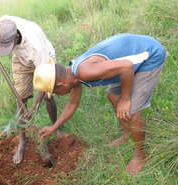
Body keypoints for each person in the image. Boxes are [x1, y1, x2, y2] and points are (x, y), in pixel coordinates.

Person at [33, 33, 166, 175]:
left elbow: (126, 67)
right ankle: (127, 135)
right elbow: (72, 103)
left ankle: (140, 155)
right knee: (113, 95)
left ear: (61, 84)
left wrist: (126, 99)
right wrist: (54, 127)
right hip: (128, 60)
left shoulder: (84, 72)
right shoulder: (73, 75)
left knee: (132, 109)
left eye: (54, 92)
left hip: (149, 55)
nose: (57, 95)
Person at [0, 15, 63, 164]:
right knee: (20, 98)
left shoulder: (36, 47)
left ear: (15, 39)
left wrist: (35, 106)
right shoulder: (3, 24)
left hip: (43, 60)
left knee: (48, 96)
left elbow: (45, 80)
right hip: (21, 59)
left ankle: (56, 126)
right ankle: (23, 141)